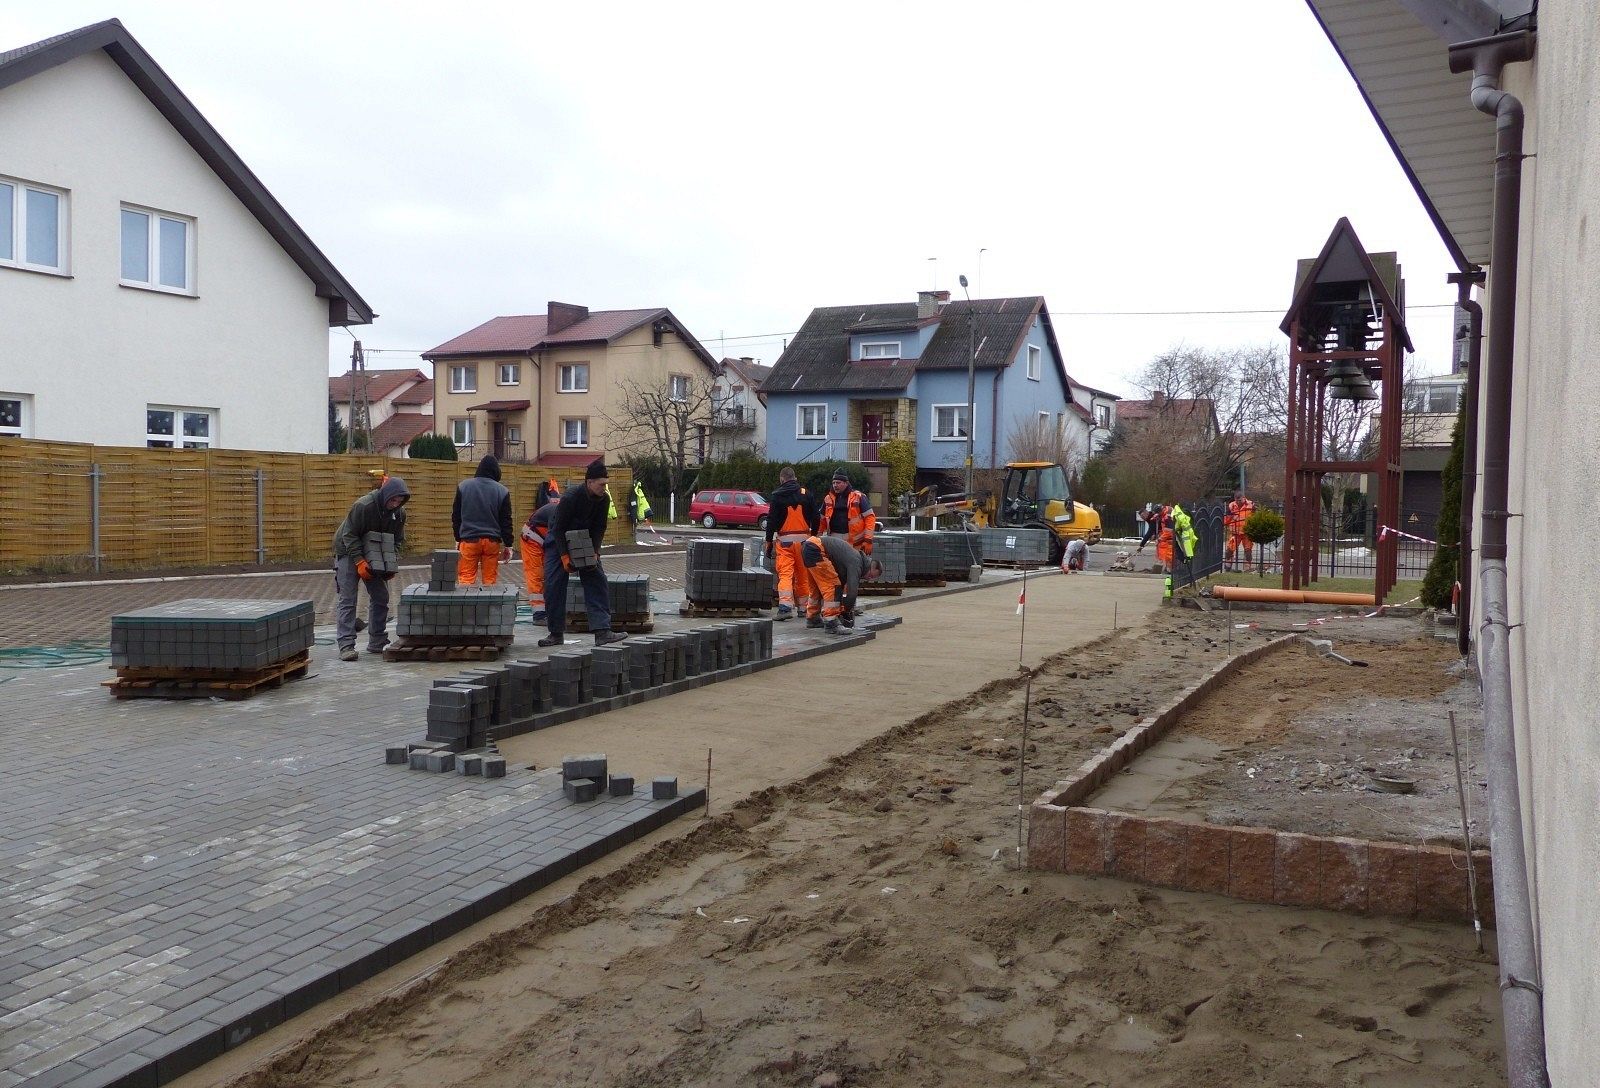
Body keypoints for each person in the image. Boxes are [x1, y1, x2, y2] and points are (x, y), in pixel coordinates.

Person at [541, 458, 627, 648]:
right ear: (589, 482)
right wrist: (564, 556)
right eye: (601, 484)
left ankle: (602, 632)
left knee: (597, 579)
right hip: (559, 541)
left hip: (584, 540)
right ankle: (555, 634)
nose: (604, 488)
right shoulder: (571, 497)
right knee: (554, 584)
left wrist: (595, 552)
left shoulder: (603, 500)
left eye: (606, 484)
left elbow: (599, 527)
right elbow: (558, 528)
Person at [332, 476, 410, 661]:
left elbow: (397, 540)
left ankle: (377, 641)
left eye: (399, 501)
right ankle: (346, 646)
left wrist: (390, 563)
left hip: (375, 553)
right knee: (348, 598)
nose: (395, 504)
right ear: (386, 495)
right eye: (393, 500)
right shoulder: (364, 506)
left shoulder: (399, 514)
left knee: (381, 596)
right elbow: (348, 535)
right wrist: (359, 561)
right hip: (348, 551)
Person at [801, 531, 884, 634]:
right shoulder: (856, 562)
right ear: (869, 566)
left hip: (809, 546)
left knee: (816, 589)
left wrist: (841, 608)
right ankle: (831, 623)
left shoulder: (852, 558)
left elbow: (842, 586)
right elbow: (852, 593)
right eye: (870, 575)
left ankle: (813, 618)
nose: (868, 579)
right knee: (832, 586)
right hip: (817, 550)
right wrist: (846, 612)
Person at [765, 466, 818, 620]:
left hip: (785, 543)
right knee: (803, 576)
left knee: (786, 574)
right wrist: (813, 536)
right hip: (804, 543)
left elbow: (771, 521)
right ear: (795, 478)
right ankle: (804, 608)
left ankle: (785, 608)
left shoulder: (777, 496)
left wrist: (769, 541)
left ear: (782, 479)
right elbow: (816, 517)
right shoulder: (806, 494)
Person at [452, 455, 514, 586]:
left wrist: (458, 538)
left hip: (469, 540)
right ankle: (488, 604)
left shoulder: (463, 487)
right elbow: (506, 520)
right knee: (489, 580)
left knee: (466, 578)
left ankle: (466, 604)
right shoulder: (502, 491)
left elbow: (456, 515)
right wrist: (509, 544)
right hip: (492, 542)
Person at [820, 469, 876, 555]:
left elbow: (870, 517)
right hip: (834, 538)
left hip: (855, 542)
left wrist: (868, 540)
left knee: (853, 566)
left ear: (846, 483)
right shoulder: (828, 499)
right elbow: (822, 520)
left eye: (838, 483)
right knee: (837, 566)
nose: (835, 485)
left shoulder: (858, 496)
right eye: (834, 483)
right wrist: (816, 538)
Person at [519, 500, 558, 622]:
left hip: (545, 538)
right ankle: (539, 613)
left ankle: (551, 608)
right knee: (536, 574)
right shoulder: (558, 512)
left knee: (551, 573)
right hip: (532, 539)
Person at [1224, 490, 1257, 571]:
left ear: (1243, 498)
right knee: (1229, 551)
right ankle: (1227, 568)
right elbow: (1225, 520)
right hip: (1234, 533)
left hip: (1247, 532)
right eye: (1236, 500)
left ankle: (1247, 570)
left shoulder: (1251, 505)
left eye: (1240, 500)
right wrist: (1231, 517)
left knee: (1248, 552)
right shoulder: (1231, 506)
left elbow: (1256, 517)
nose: (1238, 502)